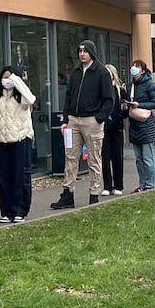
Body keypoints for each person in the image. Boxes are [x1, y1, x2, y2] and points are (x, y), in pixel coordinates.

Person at [50, 40, 114, 209]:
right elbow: (69, 97)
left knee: (94, 158)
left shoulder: (101, 72)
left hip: (91, 120)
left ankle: (94, 193)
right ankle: (67, 193)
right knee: (70, 157)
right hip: (74, 119)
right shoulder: (76, 72)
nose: (82, 54)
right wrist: (65, 120)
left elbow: (109, 99)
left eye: (85, 51)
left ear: (91, 52)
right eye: (80, 51)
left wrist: (99, 118)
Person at [0, 66, 37, 222]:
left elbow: (31, 99)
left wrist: (16, 81)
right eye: (5, 77)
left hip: (21, 139)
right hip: (3, 141)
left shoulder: (22, 97)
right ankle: (7, 211)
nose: (7, 80)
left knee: (20, 175)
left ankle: (19, 210)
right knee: (4, 177)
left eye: (10, 77)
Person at [124, 60, 155, 191]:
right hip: (134, 125)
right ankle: (142, 184)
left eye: (137, 67)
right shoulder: (130, 86)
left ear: (143, 70)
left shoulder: (149, 84)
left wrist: (140, 105)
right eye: (133, 66)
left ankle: (150, 184)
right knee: (139, 159)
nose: (134, 68)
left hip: (146, 125)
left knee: (147, 157)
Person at [99, 64, 126, 196]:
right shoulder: (100, 90)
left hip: (117, 127)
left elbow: (125, 110)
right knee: (105, 157)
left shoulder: (120, 90)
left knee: (117, 157)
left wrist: (123, 111)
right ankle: (107, 185)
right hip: (104, 127)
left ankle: (118, 185)